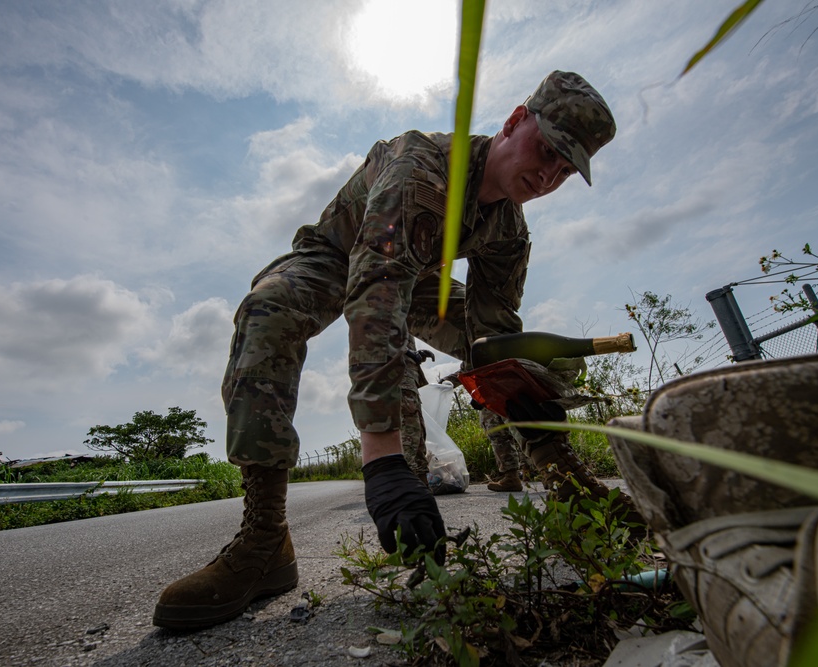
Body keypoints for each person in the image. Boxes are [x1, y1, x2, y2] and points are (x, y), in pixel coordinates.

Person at [152, 70, 618, 630]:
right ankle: (263, 541)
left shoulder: (508, 232)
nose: (548, 175)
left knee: (498, 349)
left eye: (565, 170)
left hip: (417, 274)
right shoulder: (421, 170)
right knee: (268, 311)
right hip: (339, 254)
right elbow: (377, 296)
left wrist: (550, 447)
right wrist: (386, 464)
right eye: (546, 151)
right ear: (515, 121)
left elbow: (495, 343)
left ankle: (569, 487)